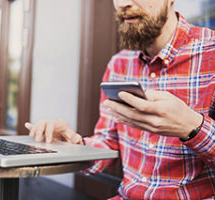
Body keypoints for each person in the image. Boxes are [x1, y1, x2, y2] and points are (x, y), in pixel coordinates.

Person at [25, 0, 215, 199]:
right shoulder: (119, 64)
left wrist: (193, 127)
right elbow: (108, 142)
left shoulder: (211, 51)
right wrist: (72, 145)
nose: (123, 4)